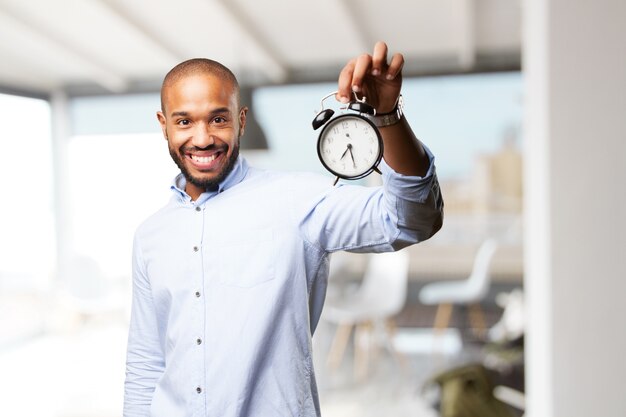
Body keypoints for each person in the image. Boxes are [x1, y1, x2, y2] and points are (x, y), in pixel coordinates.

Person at [123, 41, 444, 417]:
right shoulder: (150, 237)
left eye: (218, 118)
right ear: (164, 126)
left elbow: (410, 219)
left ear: (241, 120)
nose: (202, 137)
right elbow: (146, 363)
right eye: (184, 121)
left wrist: (387, 116)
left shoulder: (297, 199)